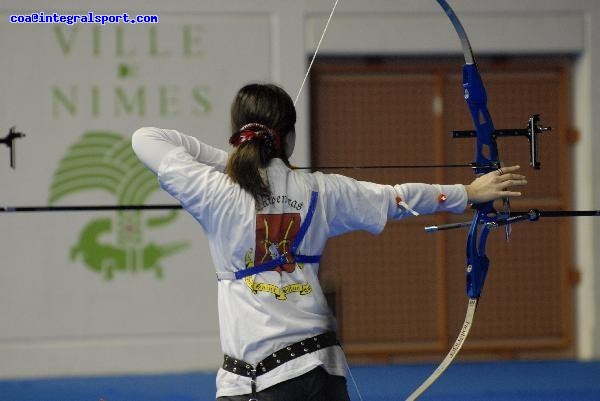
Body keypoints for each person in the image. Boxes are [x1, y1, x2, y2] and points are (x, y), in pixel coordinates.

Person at [131, 83, 526, 401]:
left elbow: (145, 138)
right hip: (322, 369)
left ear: (239, 136)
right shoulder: (321, 190)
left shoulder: (214, 190)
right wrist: (468, 192)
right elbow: (397, 198)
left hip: (258, 383)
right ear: (289, 139)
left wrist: (232, 160)